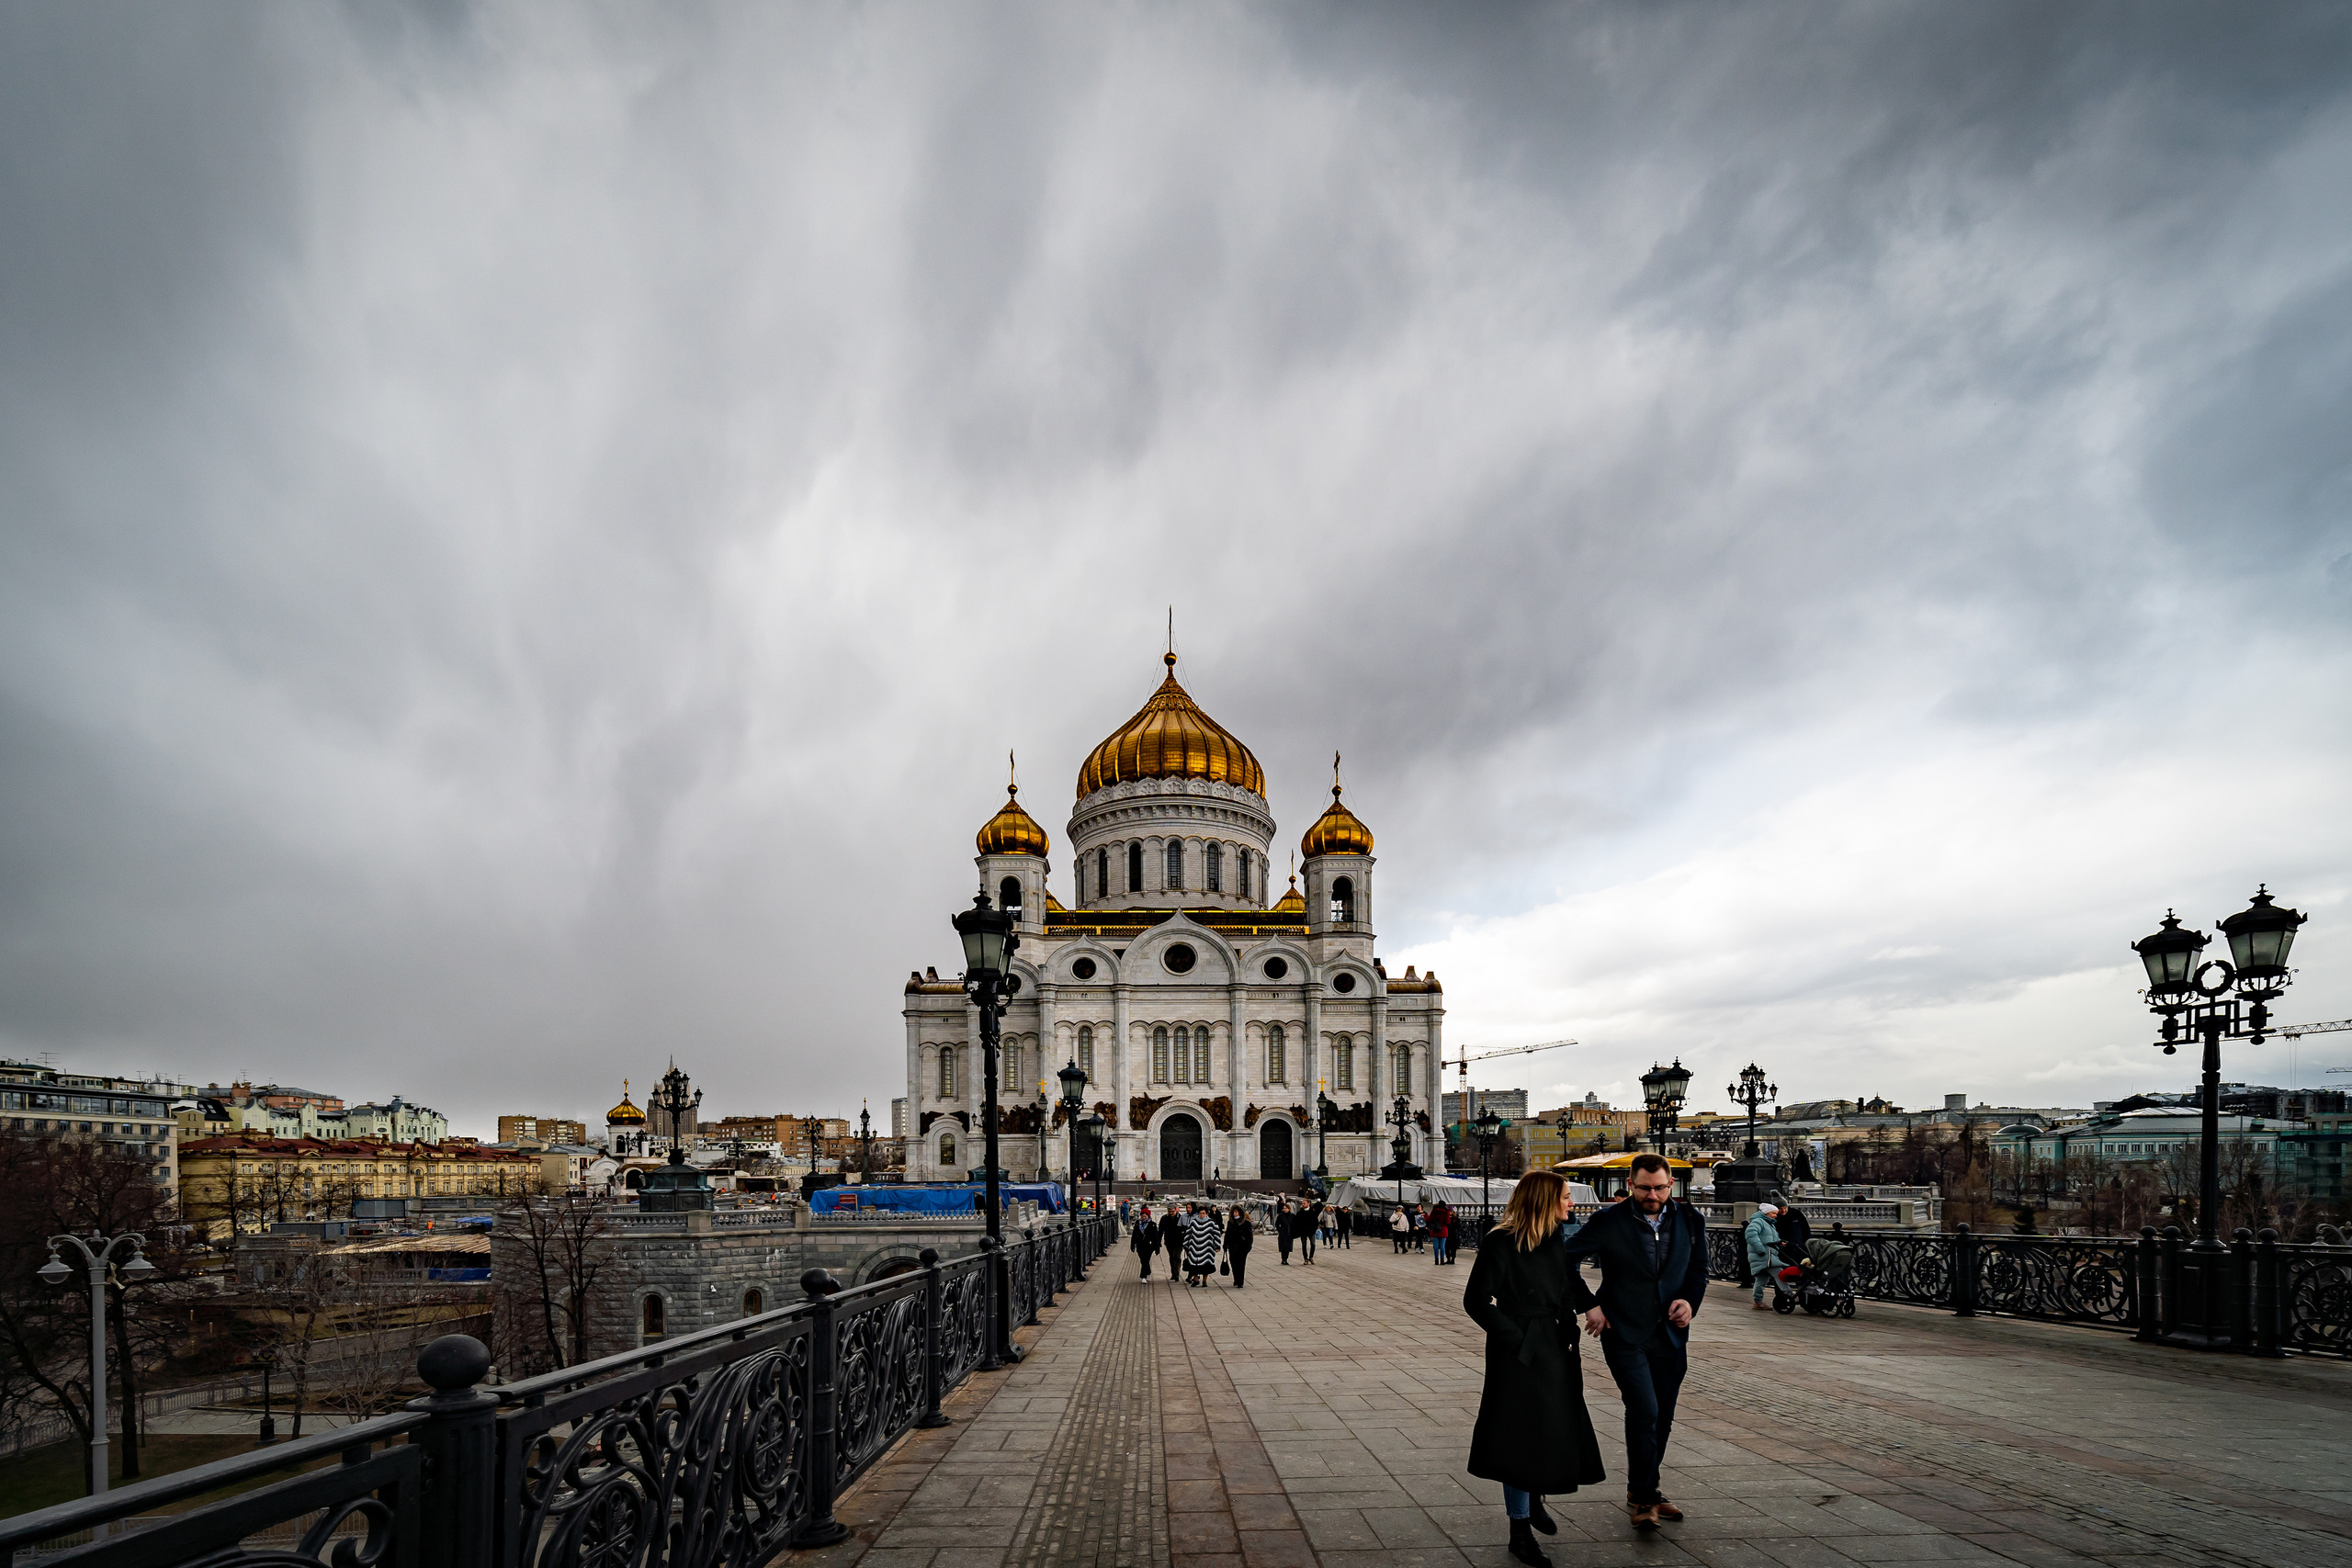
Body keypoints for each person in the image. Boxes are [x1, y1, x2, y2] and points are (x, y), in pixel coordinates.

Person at [1463, 1168, 1607, 1568]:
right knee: (1517, 1436)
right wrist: (1515, 1337)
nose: (1571, 1204)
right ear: (1545, 1200)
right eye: (1564, 1197)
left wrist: (1584, 1308)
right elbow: (1475, 1300)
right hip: (1520, 1352)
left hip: (1556, 1346)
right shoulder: (1500, 1242)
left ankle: (1535, 1495)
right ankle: (1520, 1530)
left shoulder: (1554, 1239)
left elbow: (1562, 1285)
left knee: (1550, 1428)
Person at [1560, 1152, 1708, 1533]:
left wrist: (1690, 1303)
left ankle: (1645, 1488)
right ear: (1630, 1185)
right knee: (1644, 1408)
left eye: (1659, 1188)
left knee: (1663, 1416)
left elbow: (1698, 1273)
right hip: (1624, 1331)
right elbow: (1564, 1260)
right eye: (1644, 1188)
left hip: (1672, 1334)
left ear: (1671, 1184)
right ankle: (1644, 1497)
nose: (1652, 1195)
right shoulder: (1608, 1220)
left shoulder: (1691, 1219)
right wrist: (1589, 1304)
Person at [1744, 1202, 1785, 1310]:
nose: (1775, 1215)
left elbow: (1768, 1239)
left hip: (1767, 1256)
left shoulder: (1769, 1223)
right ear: (1766, 1213)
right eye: (1773, 1213)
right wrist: (1760, 1249)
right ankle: (1790, 1294)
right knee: (1780, 1274)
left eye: (1776, 1213)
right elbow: (1750, 1234)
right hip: (1765, 1256)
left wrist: (1779, 1243)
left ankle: (1758, 1302)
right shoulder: (1759, 1222)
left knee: (1761, 1279)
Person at [1182, 1202, 1222, 1286]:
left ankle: (1204, 1281)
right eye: (1200, 1213)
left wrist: (1217, 1246)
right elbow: (1188, 1234)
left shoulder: (1212, 1223)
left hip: (1207, 1248)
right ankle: (1196, 1280)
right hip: (1194, 1247)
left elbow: (1217, 1235)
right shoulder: (1193, 1222)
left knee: (1206, 1266)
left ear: (1206, 1214)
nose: (1201, 1215)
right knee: (1193, 1265)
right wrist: (1185, 1245)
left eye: (1203, 1213)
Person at [1225, 1206, 1255, 1288]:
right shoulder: (1230, 1223)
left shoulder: (1246, 1223)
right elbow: (1227, 1235)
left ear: (1240, 1213)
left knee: (1241, 1264)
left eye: (1236, 1212)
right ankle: (1236, 1278)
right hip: (1232, 1247)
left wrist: (1248, 1247)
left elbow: (1250, 1237)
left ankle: (1240, 1281)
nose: (1234, 1214)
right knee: (1233, 1263)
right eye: (1233, 1212)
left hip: (1242, 1247)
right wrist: (1225, 1245)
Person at [1132, 1208, 1162, 1279]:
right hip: (1140, 1245)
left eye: (1145, 1217)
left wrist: (1157, 1247)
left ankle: (1143, 1276)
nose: (1144, 1218)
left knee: (1146, 1259)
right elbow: (1134, 1234)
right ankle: (1148, 1272)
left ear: (1148, 1216)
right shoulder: (1137, 1224)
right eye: (1142, 1217)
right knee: (1142, 1260)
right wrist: (1133, 1244)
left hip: (1149, 1245)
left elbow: (1155, 1236)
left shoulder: (1152, 1224)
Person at [1430, 1201, 1453, 1265]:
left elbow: (1429, 1219)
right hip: (1443, 1229)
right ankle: (1442, 1260)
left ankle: (1436, 1260)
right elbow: (1448, 1222)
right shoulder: (1446, 1212)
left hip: (1435, 1229)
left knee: (1436, 1246)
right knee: (1442, 1246)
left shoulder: (1434, 1211)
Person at [1275, 1201, 1295, 1266]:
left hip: (1289, 1233)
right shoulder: (1280, 1216)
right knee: (1283, 1247)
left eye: (1286, 1208)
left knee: (1288, 1247)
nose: (1285, 1209)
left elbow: (1295, 1224)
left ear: (1289, 1209)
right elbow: (1277, 1224)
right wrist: (1280, 1230)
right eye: (1284, 1208)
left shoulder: (1292, 1216)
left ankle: (1286, 1259)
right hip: (1283, 1232)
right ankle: (1283, 1259)